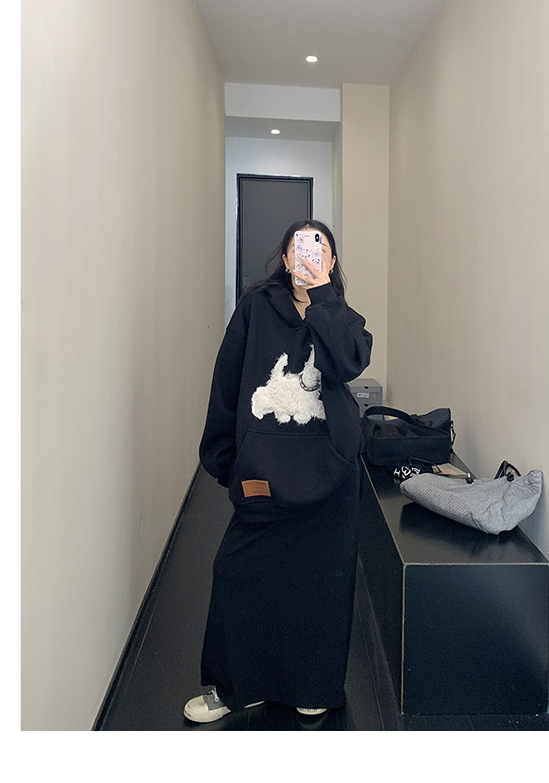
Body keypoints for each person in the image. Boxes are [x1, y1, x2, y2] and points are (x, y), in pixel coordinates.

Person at [183, 219, 373, 723]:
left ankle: (313, 684)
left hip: (331, 474)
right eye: (299, 247)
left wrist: (323, 297)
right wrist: (226, 458)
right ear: (285, 259)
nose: (308, 255)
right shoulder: (256, 309)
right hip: (265, 467)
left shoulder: (342, 316)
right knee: (237, 573)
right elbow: (227, 383)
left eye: (319, 248)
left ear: (330, 261)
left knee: (321, 584)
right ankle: (234, 687)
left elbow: (348, 363)